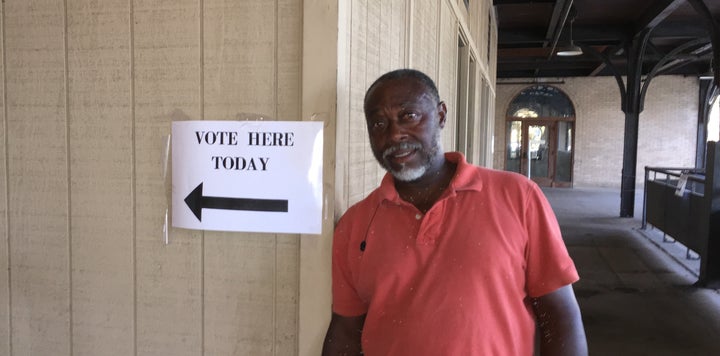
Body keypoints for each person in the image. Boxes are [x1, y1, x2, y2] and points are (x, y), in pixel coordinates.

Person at [322, 69, 587, 355]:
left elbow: (559, 316)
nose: (394, 134)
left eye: (408, 116)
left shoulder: (518, 197)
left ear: (441, 115)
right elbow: (345, 332)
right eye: (378, 123)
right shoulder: (355, 224)